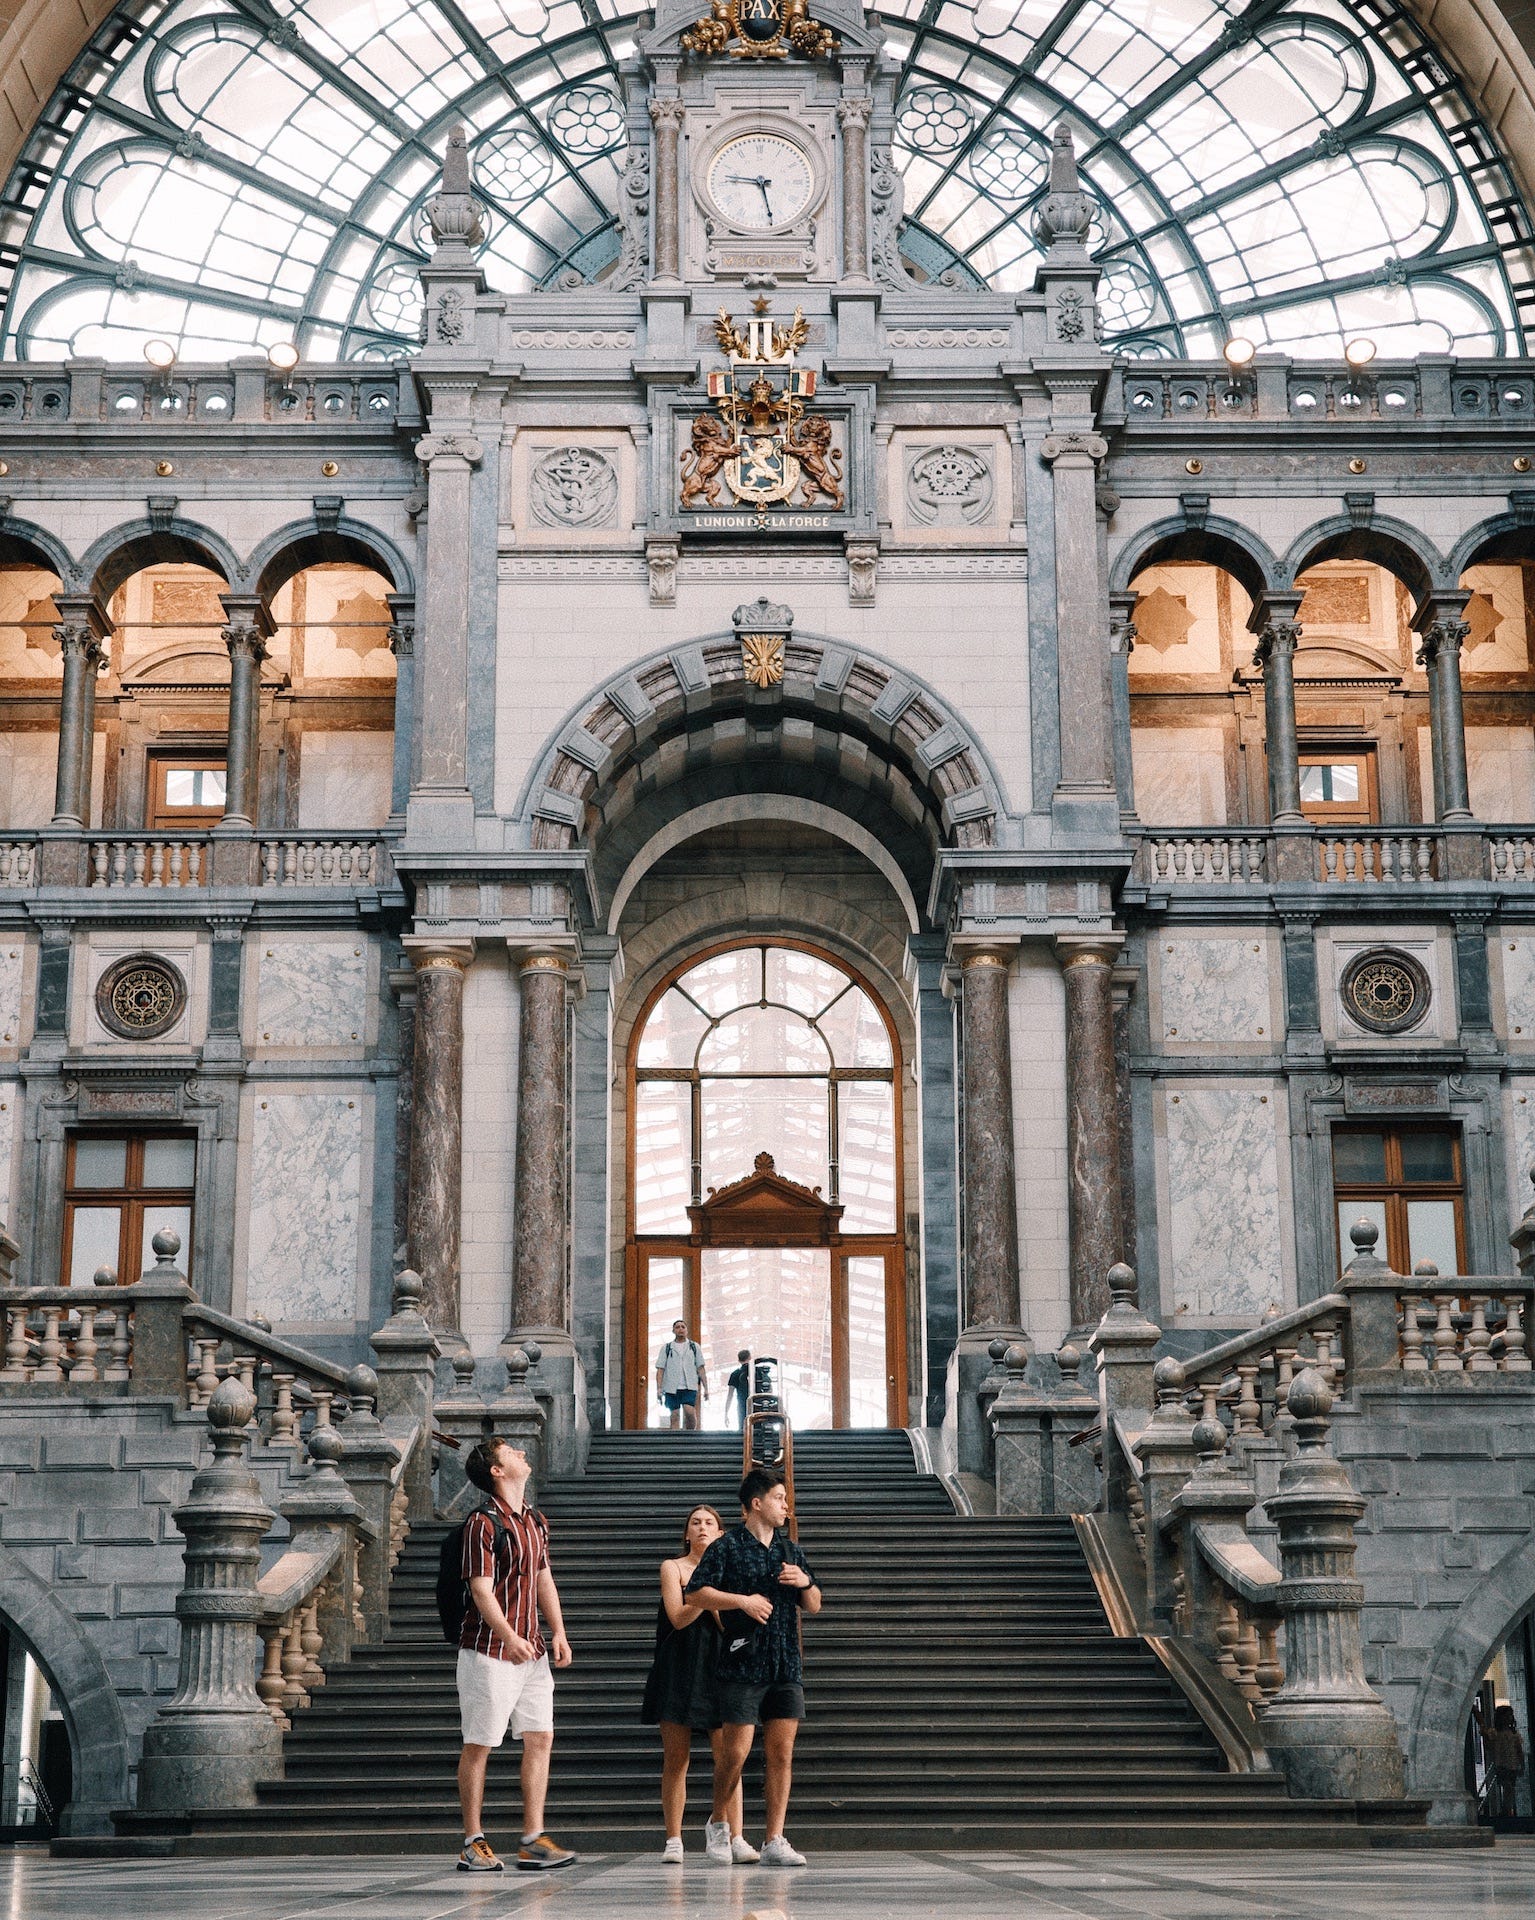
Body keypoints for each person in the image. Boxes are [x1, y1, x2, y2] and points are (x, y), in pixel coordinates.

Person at [685, 1466, 822, 1868]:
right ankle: (717, 1821)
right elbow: (695, 1593)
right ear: (756, 1504)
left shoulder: (790, 1550)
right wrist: (741, 1601)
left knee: (782, 1754)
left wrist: (805, 1584)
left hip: (785, 1662)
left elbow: (814, 1605)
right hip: (743, 1662)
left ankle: (775, 1839)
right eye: (779, 1498)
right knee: (737, 1753)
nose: (786, 1506)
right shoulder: (726, 1547)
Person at [454, 1436, 576, 1874]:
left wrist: (557, 1631)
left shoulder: (534, 1520)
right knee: (481, 1743)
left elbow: (544, 1579)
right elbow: (480, 1590)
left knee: (540, 1736)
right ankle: (473, 1840)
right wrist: (506, 1635)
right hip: (488, 1651)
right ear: (496, 1471)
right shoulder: (482, 1523)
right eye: (510, 1452)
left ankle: (532, 1839)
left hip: (532, 1650)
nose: (522, 1453)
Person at [640, 1504, 757, 1865]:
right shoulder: (672, 1567)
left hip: (720, 1667)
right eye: (695, 1522)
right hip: (677, 1665)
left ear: (721, 1535)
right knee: (676, 1757)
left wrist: (714, 1596)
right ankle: (674, 1839)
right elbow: (677, 1617)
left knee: (730, 1758)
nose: (703, 1527)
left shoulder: (730, 1573)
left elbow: (728, 1626)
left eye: (710, 1523)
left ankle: (734, 1835)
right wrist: (702, 1593)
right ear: (687, 1533)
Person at [655, 1318, 708, 1430]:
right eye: (677, 1327)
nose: (680, 1329)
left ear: (687, 1330)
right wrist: (659, 1388)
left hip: (689, 1386)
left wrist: (706, 1388)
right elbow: (660, 1369)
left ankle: (690, 1435)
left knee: (689, 1412)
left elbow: (701, 1368)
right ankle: (675, 1442)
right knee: (674, 1415)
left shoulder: (694, 1347)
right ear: (673, 1331)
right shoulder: (667, 1348)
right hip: (671, 1387)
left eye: (683, 1327)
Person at [1482, 1702, 1526, 1819]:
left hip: (1512, 1764)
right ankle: (1506, 1809)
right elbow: (1489, 1746)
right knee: (1507, 1787)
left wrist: (1521, 1764)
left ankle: (1507, 1809)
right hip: (1501, 1764)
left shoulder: (1514, 1734)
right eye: (1506, 1716)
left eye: (1510, 1716)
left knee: (1509, 1787)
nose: (1508, 1718)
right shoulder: (1495, 1733)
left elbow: (1519, 1750)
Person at [726, 1350, 751, 1431]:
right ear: (750, 1357)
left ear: (739, 1360)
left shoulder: (735, 1374)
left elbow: (730, 1395)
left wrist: (726, 1413)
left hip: (742, 1404)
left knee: (743, 1428)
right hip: (757, 1404)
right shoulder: (758, 1371)